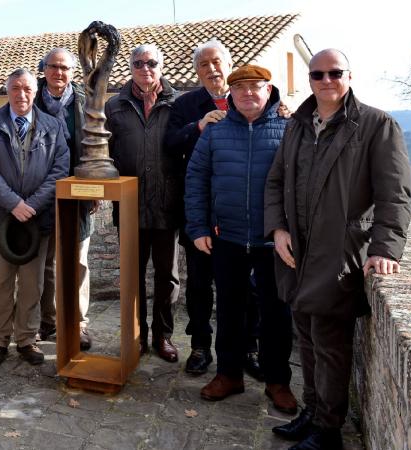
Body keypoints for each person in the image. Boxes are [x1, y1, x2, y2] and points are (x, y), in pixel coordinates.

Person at [265, 49, 411, 450]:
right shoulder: (297, 124)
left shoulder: (376, 124)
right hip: (297, 251)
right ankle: (311, 413)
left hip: (340, 252)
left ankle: (327, 431)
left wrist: (386, 249)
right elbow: (276, 181)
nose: (325, 80)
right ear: (310, 78)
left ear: (349, 75)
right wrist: (277, 229)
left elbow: (394, 194)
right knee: (308, 338)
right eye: (318, 74)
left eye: (334, 73)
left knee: (330, 343)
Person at [185, 65, 296, 414]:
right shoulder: (216, 131)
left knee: (276, 314)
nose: (248, 93)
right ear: (230, 94)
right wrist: (199, 227)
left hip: (273, 240)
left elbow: (303, 180)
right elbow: (196, 178)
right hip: (227, 237)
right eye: (241, 88)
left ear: (269, 90)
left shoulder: (289, 127)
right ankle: (229, 374)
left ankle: (278, 382)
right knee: (230, 310)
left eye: (255, 87)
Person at [165, 38, 264, 378]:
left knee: (248, 286)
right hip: (201, 210)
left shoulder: (249, 99)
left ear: (228, 63)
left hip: (242, 211)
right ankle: (200, 346)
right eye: (204, 65)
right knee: (198, 283)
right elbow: (170, 143)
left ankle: (248, 348)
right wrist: (199, 125)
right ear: (197, 71)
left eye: (216, 62)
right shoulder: (186, 104)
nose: (211, 69)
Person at [0, 68, 69, 366]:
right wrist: (14, 203)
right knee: (1, 282)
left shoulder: (53, 126)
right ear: (8, 90)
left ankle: (27, 339)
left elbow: (60, 169)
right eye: (15, 88)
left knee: (32, 284)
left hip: (36, 220)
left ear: (34, 90)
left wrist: (33, 205)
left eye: (27, 88)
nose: (22, 94)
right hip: (1, 218)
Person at [105, 44, 181, 362]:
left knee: (168, 277)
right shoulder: (115, 107)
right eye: (138, 63)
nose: (145, 68)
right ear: (131, 67)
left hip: (167, 207)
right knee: (132, 276)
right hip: (130, 207)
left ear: (161, 65)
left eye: (151, 62)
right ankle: (135, 335)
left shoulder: (179, 104)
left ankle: (162, 336)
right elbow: (103, 155)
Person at [33, 48, 95, 350]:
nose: (59, 73)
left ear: (73, 72)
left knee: (79, 261)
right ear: (44, 69)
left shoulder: (87, 101)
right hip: (42, 194)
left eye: (65, 68)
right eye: (53, 67)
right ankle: (48, 322)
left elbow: (98, 146)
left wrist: (96, 189)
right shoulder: (30, 101)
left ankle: (79, 323)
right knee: (46, 262)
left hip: (80, 194)